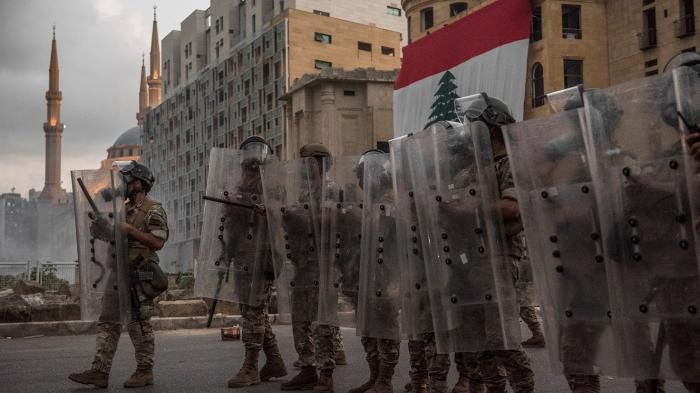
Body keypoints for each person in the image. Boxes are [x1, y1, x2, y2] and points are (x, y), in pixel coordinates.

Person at [457, 94, 536, 393]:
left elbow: (513, 208)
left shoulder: (511, 162)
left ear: (491, 129)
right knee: (479, 342)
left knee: (501, 337)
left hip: (500, 257)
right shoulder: (479, 167)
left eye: (475, 129)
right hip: (474, 260)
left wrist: (470, 209)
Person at [69, 161, 169, 388]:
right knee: (108, 321)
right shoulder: (120, 209)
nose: (123, 183)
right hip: (117, 274)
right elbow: (113, 237)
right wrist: (103, 229)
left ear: (139, 184)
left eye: (128, 179)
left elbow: (158, 241)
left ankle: (145, 371)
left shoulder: (153, 209)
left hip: (139, 274)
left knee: (139, 324)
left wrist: (130, 230)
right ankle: (99, 371)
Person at [280, 144, 345, 392]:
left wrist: (299, 217)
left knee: (323, 320)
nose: (303, 169)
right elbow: (298, 222)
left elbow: (329, 220)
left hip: (324, 266)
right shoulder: (306, 194)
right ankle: (307, 368)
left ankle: (326, 373)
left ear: (320, 164)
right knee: (301, 319)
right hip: (303, 265)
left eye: (308, 163)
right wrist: (284, 215)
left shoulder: (331, 190)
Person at [225, 136, 288, 388]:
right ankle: (274, 361)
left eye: (254, 165)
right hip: (242, 256)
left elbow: (282, 216)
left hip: (263, 257)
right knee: (252, 312)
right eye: (247, 165)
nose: (250, 170)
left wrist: (264, 208)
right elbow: (231, 221)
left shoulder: (273, 188)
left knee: (253, 312)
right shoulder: (239, 188)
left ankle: (250, 367)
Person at [350, 149, 402, 393]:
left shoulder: (390, 201)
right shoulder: (367, 204)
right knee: (369, 328)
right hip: (367, 276)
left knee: (386, 328)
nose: (361, 181)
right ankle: (374, 376)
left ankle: (385, 380)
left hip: (387, 275)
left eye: (364, 175)